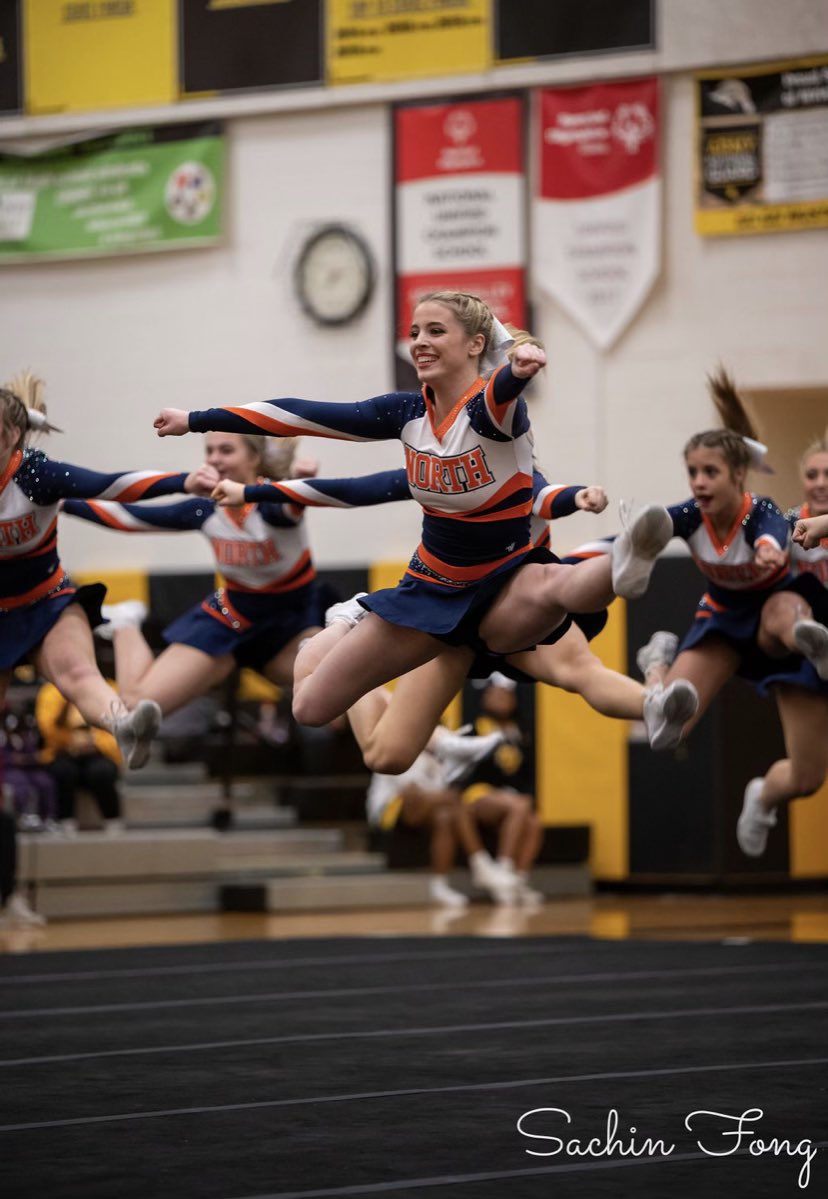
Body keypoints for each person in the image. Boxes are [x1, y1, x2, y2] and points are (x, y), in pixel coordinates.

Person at [156, 292, 676, 774]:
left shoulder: (490, 412)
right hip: (433, 594)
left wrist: (518, 375)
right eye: (414, 332)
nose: (420, 342)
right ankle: (348, 621)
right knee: (327, 717)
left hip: (503, 584)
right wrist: (198, 420)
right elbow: (308, 421)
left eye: (435, 331)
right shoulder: (407, 415)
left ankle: (629, 568)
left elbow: (507, 408)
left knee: (558, 595)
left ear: (475, 344)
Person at [61, 431, 414, 720]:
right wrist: (61, 500)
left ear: (254, 458)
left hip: (288, 625)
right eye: (209, 450)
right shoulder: (205, 509)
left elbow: (289, 506)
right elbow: (129, 519)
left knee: (343, 690)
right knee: (136, 706)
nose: (215, 458)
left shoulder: (272, 500)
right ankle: (125, 623)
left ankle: (434, 744)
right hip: (230, 620)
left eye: (226, 450)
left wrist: (300, 483)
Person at [630, 369, 828, 859]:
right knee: (787, 609)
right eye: (811, 475)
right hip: (776, 633)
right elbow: (766, 529)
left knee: (806, 778)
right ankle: (807, 641)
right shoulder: (792, 521)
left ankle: (762, 795)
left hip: (779, 623)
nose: (819, 483)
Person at [0, 372, 204, 770]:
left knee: (78, 674)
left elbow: (110, 485)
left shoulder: (35, 476)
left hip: (46, 601)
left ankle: (123, 724)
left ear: (9, 436)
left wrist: (184, 481)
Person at [367, 732, 531, 908]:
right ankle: (481, 865)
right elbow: (411, 793)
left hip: (425, 810)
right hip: (389, 811)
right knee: (450, 800)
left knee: (445, 817)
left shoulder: (437, 760)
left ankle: (440, 885)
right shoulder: (399, 747)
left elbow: (438, 794)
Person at [35, 680, 124, 836]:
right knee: (64, 771)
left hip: (98, 753)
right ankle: (65, 821)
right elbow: (47, 730)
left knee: (102, 772)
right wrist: (66, 704)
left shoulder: (109, 688)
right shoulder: (50, 692)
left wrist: (95, 744)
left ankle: (113, 820)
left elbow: (118, 728)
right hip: (63, 753)